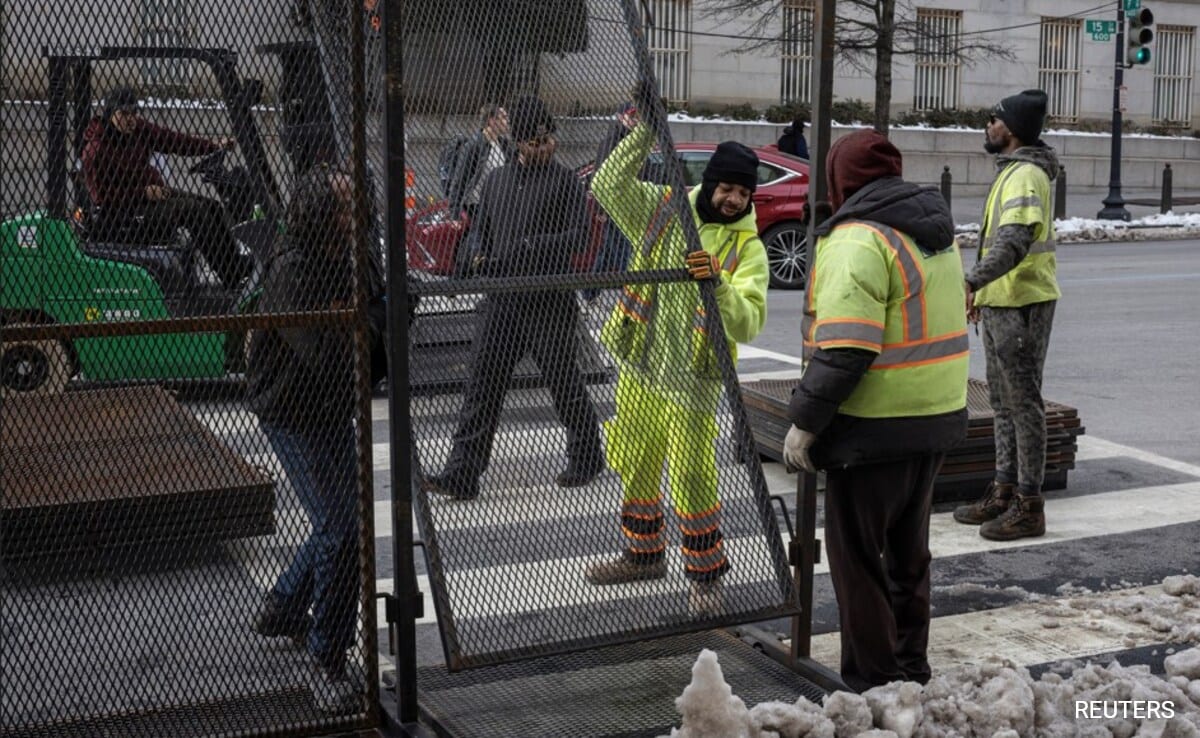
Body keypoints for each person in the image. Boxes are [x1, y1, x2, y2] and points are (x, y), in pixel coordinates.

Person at [783, 129, 969, 692]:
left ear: (840, 179)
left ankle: (874, 682)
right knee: (909, 557)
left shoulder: (857, 240)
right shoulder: (934, 231)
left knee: (857, 560)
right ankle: (911, 666)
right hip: (935, 415)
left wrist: (805, 423)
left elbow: (847, 348)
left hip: (874, 426)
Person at [584, 109, 769, 615]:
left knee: (691, 473)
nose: (733, 199)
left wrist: (719, 283)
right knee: (634, 457)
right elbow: (607, 184)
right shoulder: (664, 208)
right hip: (641, 364)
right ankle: (643, 555)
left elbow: (749, 322)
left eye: (743, 193)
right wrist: (644, 127)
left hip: (692, 379)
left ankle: (706, 575)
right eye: (726, 188)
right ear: (709, 183)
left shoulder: (747, 248)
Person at [246, 164, 384, 714]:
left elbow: (372, 328)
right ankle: (328, 658)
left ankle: (283, 604)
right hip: (291, 412)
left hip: (329, 407)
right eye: (341, 209)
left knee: (338, 520)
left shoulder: (350, 255)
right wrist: (363, 320)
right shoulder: (294, 268)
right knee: (343, 530)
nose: (353, 218)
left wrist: (360, 319)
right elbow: (329, 355)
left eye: (356, 207)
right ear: (317, 213)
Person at [422, 96, 604, 501]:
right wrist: (473, 253)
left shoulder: (565, 182)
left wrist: (531, 245)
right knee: (481, 385)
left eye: (548, 139)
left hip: (547, 299)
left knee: (563, 380)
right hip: (501, 298)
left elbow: (579, 236)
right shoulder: (495, 181)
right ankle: (462, 473)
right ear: (518, 142)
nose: (545, 147)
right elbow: (479, 230)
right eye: (534, 142)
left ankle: (587, 455)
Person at [954, 89, 1060, 542]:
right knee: (1002, 405)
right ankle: (1003, 491)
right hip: (1003, 301)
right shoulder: (1012, 172)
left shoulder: (1024, 176)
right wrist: (982, 292)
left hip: (1023, 302)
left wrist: (970, 281)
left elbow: (1014, 242)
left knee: (1024, 404)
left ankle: (1029, 505)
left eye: (993, 119)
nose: (988, 126)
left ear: (1010, 129)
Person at [81, 86, 250, 289]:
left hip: (150, 195)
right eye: (124, 114)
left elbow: (173, 140)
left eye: (134, 112)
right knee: (194, 211)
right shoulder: (97, 149)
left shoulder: (138, 130)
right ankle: (231, 275)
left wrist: (213, 145)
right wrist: (142, 193)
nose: (130, 119)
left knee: (211, 206)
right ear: (110, 113)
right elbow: (100, 196)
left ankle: (234, 267)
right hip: (124, 211)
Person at [447, 104, 515, 278]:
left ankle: (471, 274)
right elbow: (459, 179)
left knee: (483, 238)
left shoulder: (504, 145)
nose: (507, 122)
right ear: (491, 121)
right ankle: (460, 277)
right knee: (477, 237)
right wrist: (454, 211)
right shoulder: (475, 146)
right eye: (503, 118)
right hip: (477, 203)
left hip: (497, 202)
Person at [583, 102, 639, 302]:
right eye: (632, 116)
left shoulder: (633, 140)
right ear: (620, 117)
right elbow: (599, 175)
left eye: (637, 117)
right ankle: (633, 296)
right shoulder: (612, 141)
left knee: (609, 251)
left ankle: (589, 292)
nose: (635, 121)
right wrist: (600, 206)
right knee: (625, 254)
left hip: (626, 204)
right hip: (616, 205)